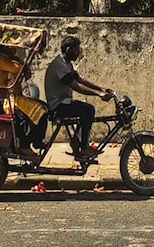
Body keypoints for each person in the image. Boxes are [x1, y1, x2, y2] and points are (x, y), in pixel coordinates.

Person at [44, 35, 114, 164]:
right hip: (58, 105)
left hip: (65, 102)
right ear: (69, 49)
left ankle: (79, 143)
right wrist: (98, 94)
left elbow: (79, 79)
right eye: (77, 50)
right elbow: (76, 86)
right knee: (88, 110)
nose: (78, 52)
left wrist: (101, 88)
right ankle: (84, 148)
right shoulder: (59, 65)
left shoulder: (66, 64)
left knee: (84, 110)